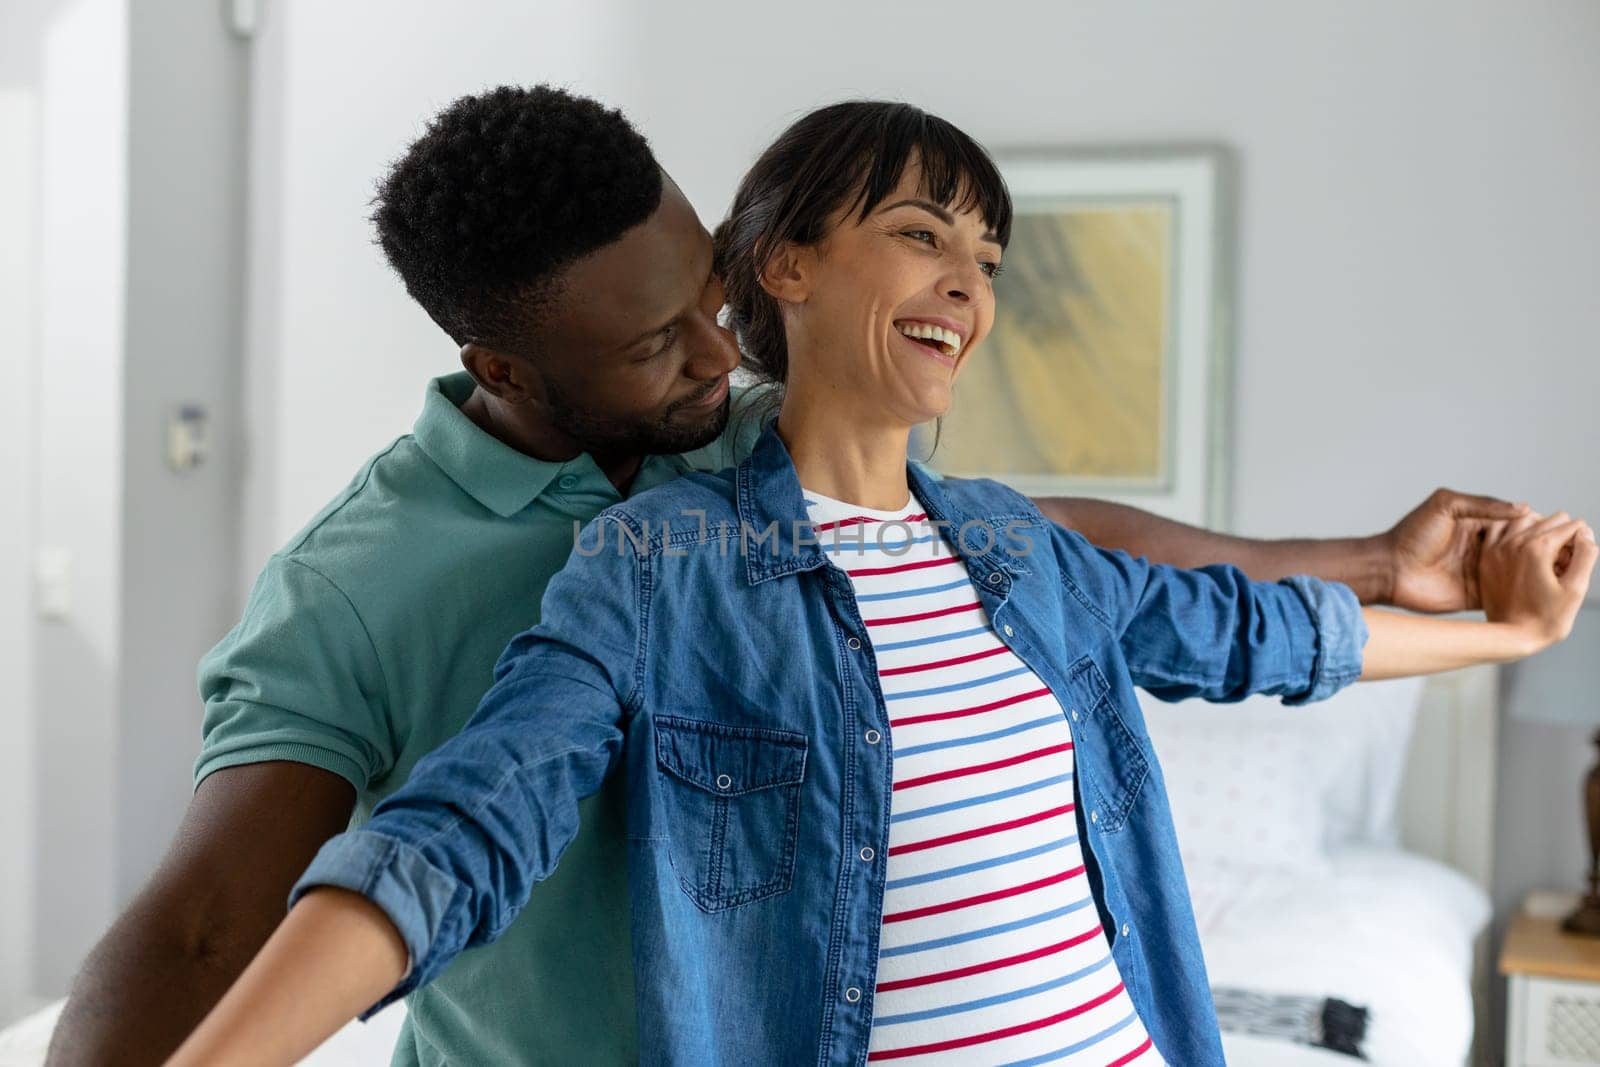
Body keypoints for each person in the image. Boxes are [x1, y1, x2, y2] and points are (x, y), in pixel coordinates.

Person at [45, 86, 1541, 1067]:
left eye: (709, 295)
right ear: (502, 365)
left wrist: (1376, 569)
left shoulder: (770, 450)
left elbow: (1069, 554)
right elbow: (213, 916)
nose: (718, 357)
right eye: (655, 346)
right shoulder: (375, 583)